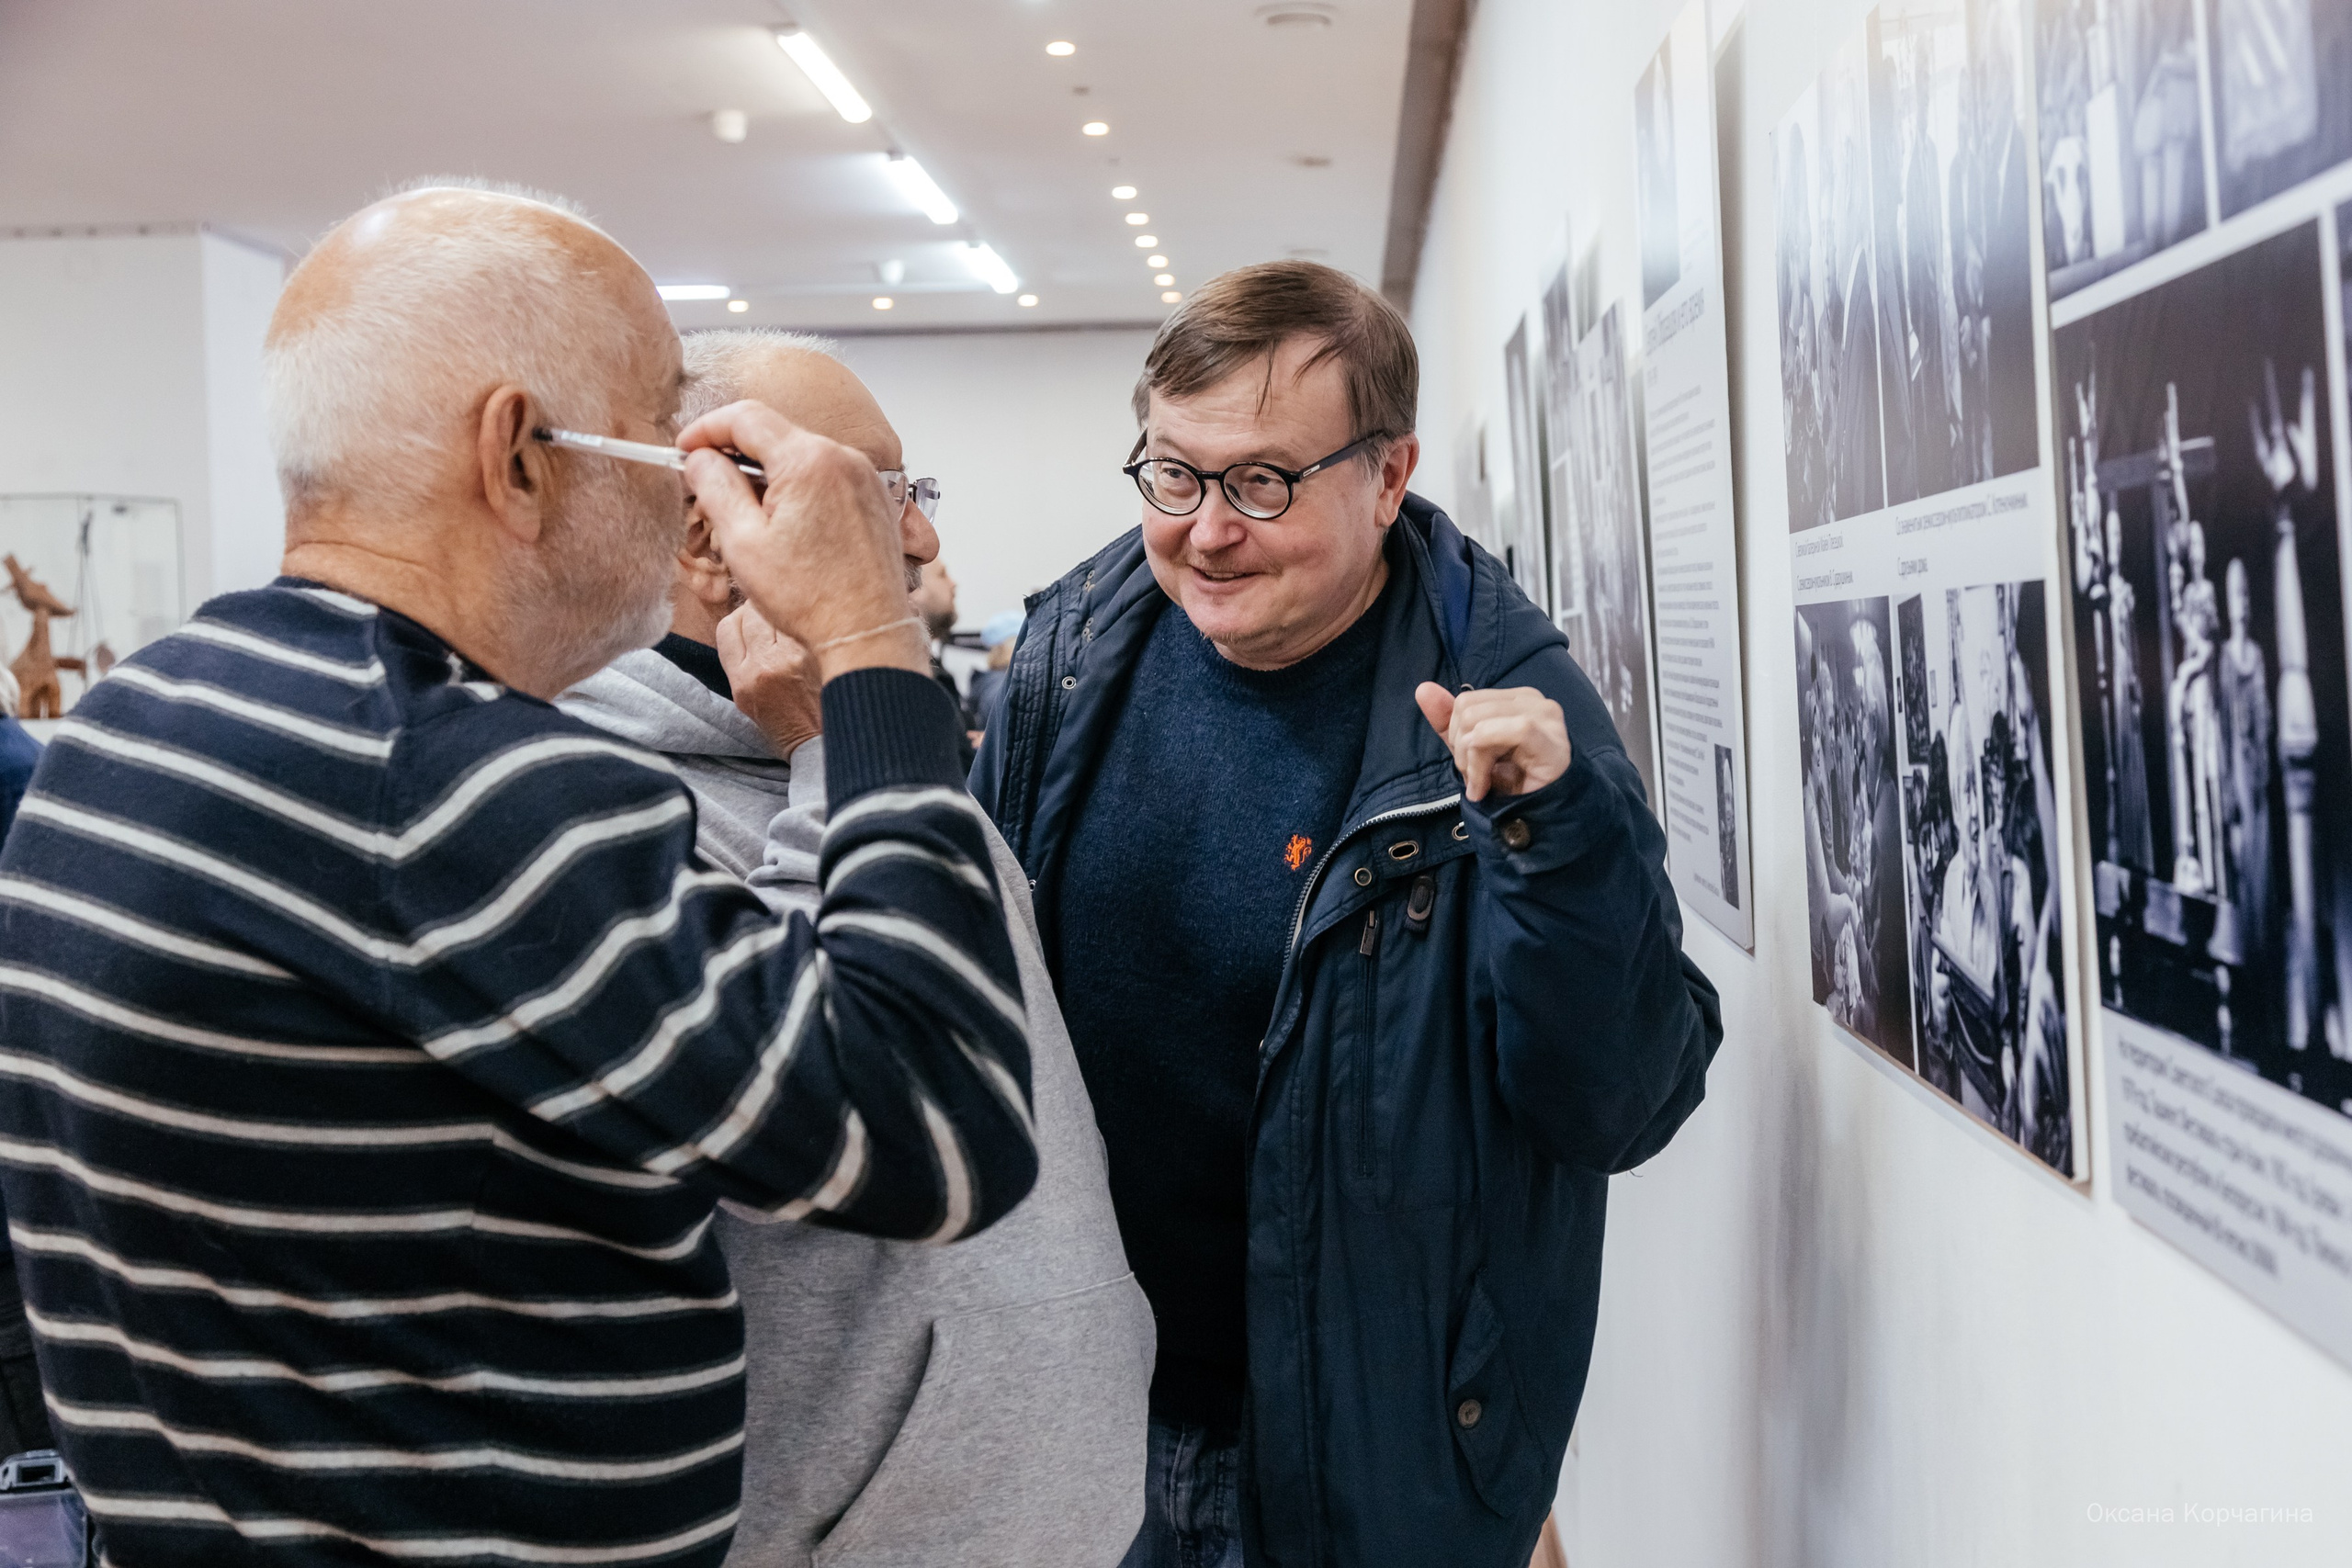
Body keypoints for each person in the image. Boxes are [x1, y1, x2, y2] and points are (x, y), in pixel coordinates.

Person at [0, 182, 1039, 1566]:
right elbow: (938, 1131)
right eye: (669, 428)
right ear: (521, 456)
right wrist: (866, 645)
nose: (699, 492)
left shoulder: (143, 720)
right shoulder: (459, 786)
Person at [975, 261, 1723, 1567]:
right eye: (1173, 474)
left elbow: (1622, 1102)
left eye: (1263, 482)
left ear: (1388, 477)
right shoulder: (1072, 654)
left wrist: (1560, 843)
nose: (1206, 530)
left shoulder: (1509, 709)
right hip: (1089, 1413)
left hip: (1364, 1446)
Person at [561, 326, 1149, 1567]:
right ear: (705, 526)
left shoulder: (876, 754)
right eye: (872, 494)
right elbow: (840, 1100)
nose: (922, 540)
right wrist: (833, 749)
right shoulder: (599, 814)